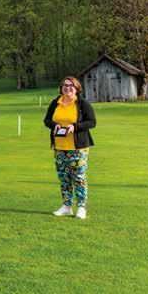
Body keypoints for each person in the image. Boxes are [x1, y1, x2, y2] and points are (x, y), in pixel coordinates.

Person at [43, 76, 96, 220]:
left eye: (71, 85)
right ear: (61, 88)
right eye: (65, 85)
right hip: (60, 148)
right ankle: (66, 206)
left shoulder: (82, 103)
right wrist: (55, 126)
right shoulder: (56, 103)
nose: (67, 88)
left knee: (79, 178)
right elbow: (47, 120)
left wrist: (75, 126)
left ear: (77, 88)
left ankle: (81, 207)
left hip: (78, 148)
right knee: (64, 178)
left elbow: (92, 122)